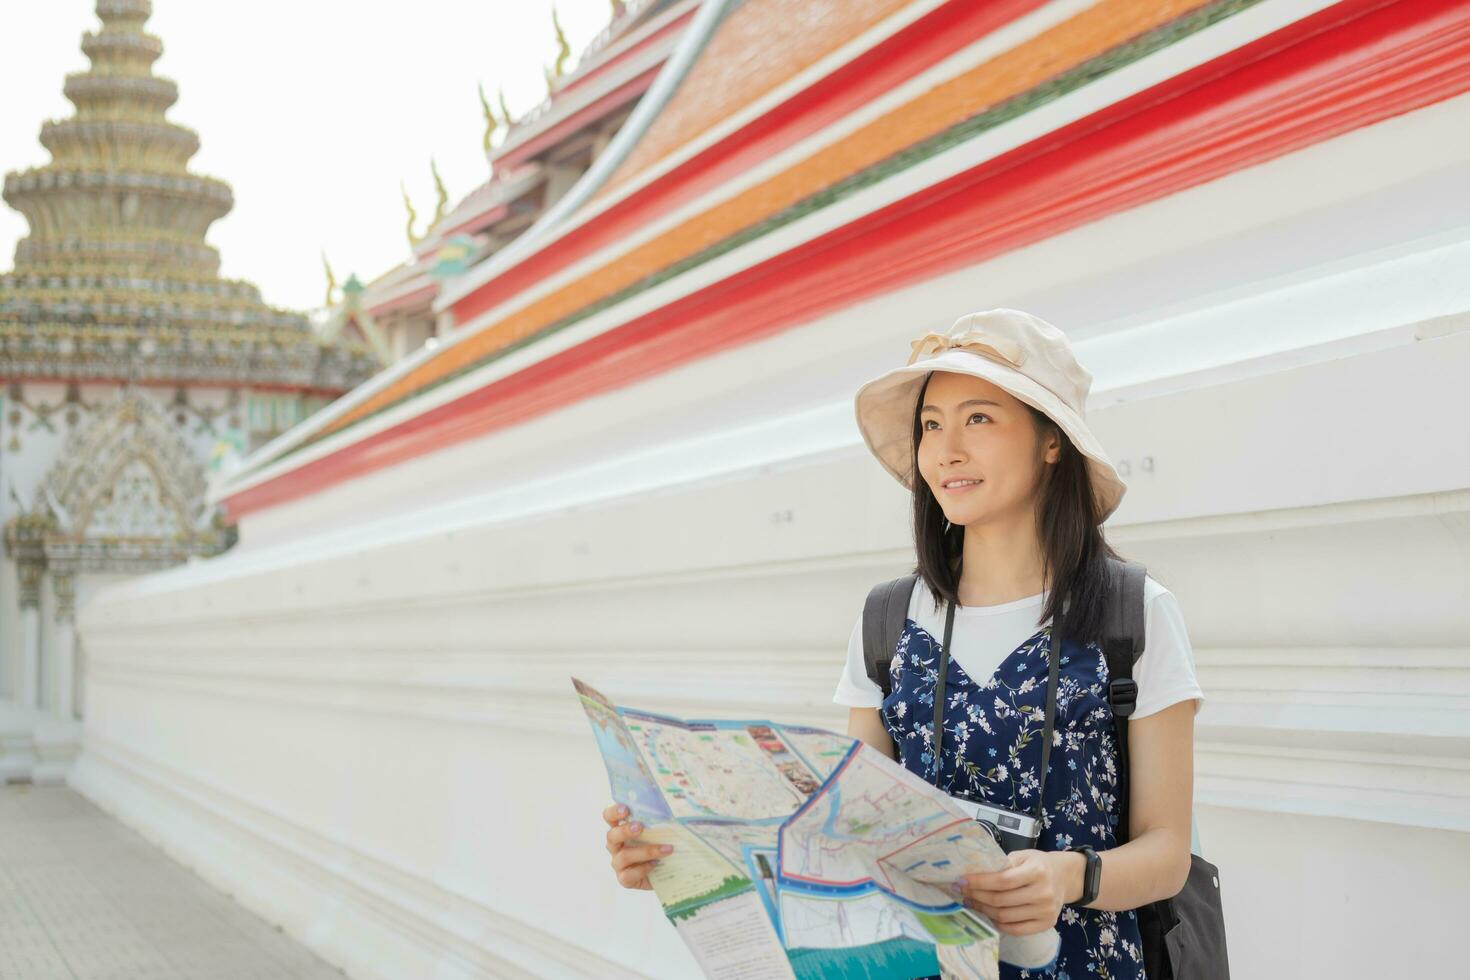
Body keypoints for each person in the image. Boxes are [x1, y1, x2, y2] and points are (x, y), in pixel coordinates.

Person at [601, 308, 1203, 980]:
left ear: (1051, 441)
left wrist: (1069, 877)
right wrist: (679, 857)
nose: (947, 449)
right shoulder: (889, 620)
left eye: (979, 418)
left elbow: (1168, 851)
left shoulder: (1132, 613)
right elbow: (842, 836)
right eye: (931, 425)